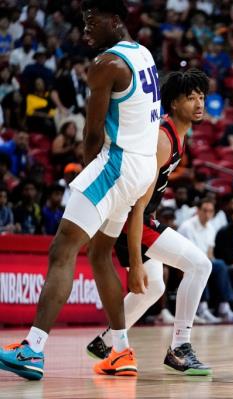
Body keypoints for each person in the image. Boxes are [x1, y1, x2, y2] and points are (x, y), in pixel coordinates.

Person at [0, 0, 161, 380]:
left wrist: (91, 177)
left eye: (93, 21)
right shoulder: (144, 53)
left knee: (63, 248)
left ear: (116, 20)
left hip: (117, 163)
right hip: (141, 168)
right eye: (83, 21)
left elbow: (91, 134)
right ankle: (120, 350)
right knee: (101, 254)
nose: (85, 28)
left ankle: (33, 350)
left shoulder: (105, 64)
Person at [85, 69, 213, 375]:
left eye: (201, 97)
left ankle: (104, 344)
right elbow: (138, 204)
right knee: (200, 265)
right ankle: (180, 348)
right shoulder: (162, 139)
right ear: (173, 102)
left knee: (153, 287)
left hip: (139, 217)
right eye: (190, 97)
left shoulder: (180, 134)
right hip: (131, 219)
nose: (198, 103)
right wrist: (137, 262)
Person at [178, 198, 233, 324]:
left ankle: (224, 307)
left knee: (225, 268)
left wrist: (209, 262)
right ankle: (204, 308)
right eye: (204, 210)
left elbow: (210, 252)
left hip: (202, 261)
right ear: (198, 210)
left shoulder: (210, 227)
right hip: (184, 263)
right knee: (205, 266)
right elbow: (187, 253)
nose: (207, 214)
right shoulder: (187, 227)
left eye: (210, 211)